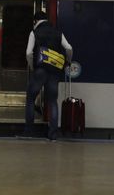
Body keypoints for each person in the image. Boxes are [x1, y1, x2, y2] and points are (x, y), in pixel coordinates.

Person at [24, 10, 73, 141]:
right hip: (54, 72)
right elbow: (69, 48)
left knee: (30, 98)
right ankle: (53, 134)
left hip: (40, 70)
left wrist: (33, 67)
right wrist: (67, 62)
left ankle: (29, 131)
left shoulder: (34, 32)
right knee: (52, 102)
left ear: (35, 21)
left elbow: (29, 53)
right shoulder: (58, 32)